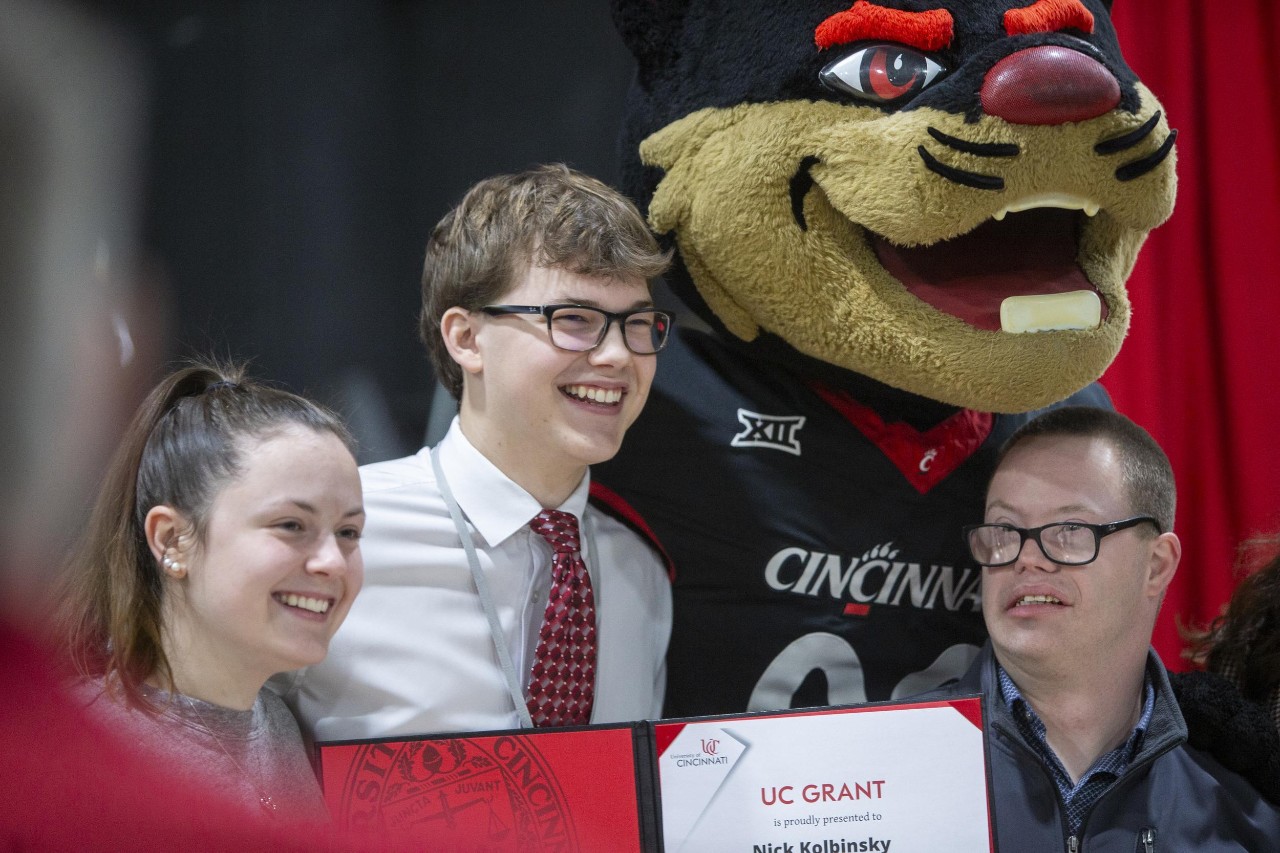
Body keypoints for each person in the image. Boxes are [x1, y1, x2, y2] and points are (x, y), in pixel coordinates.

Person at [277, 164, 674, 740]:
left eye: (638, 326)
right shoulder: (345, 536)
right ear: (465, 338)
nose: (618, 354)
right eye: (575, 320)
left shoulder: (639, 574)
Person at [917, 406, 1279, 850]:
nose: (1026, 557)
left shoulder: (1248, 816)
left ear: (1155, 565)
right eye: (1005, 530)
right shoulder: (883, 774)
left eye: (1070, 529)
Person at [56, 361, 365, 824]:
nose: (333, 562)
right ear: (171, 540)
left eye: (348, 532)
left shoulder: (277, 726)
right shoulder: (75, 748)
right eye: (291, 525)